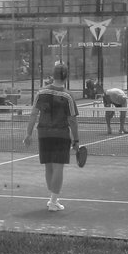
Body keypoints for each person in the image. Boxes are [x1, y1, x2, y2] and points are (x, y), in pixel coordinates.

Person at [22, 62, 79, 211]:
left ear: (53, 75)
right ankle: (53, 201)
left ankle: (53, 198)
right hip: (61, 135)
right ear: (66, 76)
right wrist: (76, 140)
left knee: (48, 167)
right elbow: (72, 120)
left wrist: (28, 134)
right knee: (58, 168)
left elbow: (33, 114)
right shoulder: (68, 96)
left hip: (44, 134)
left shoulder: (41, 93)